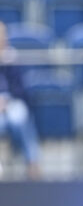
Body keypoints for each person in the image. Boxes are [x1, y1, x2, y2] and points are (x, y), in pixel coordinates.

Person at [0, 22, 41, 179]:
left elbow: (22, 91)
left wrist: (6, 101)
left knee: (19, 118)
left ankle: (32, 162)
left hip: (12, 103)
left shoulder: (13, 58)